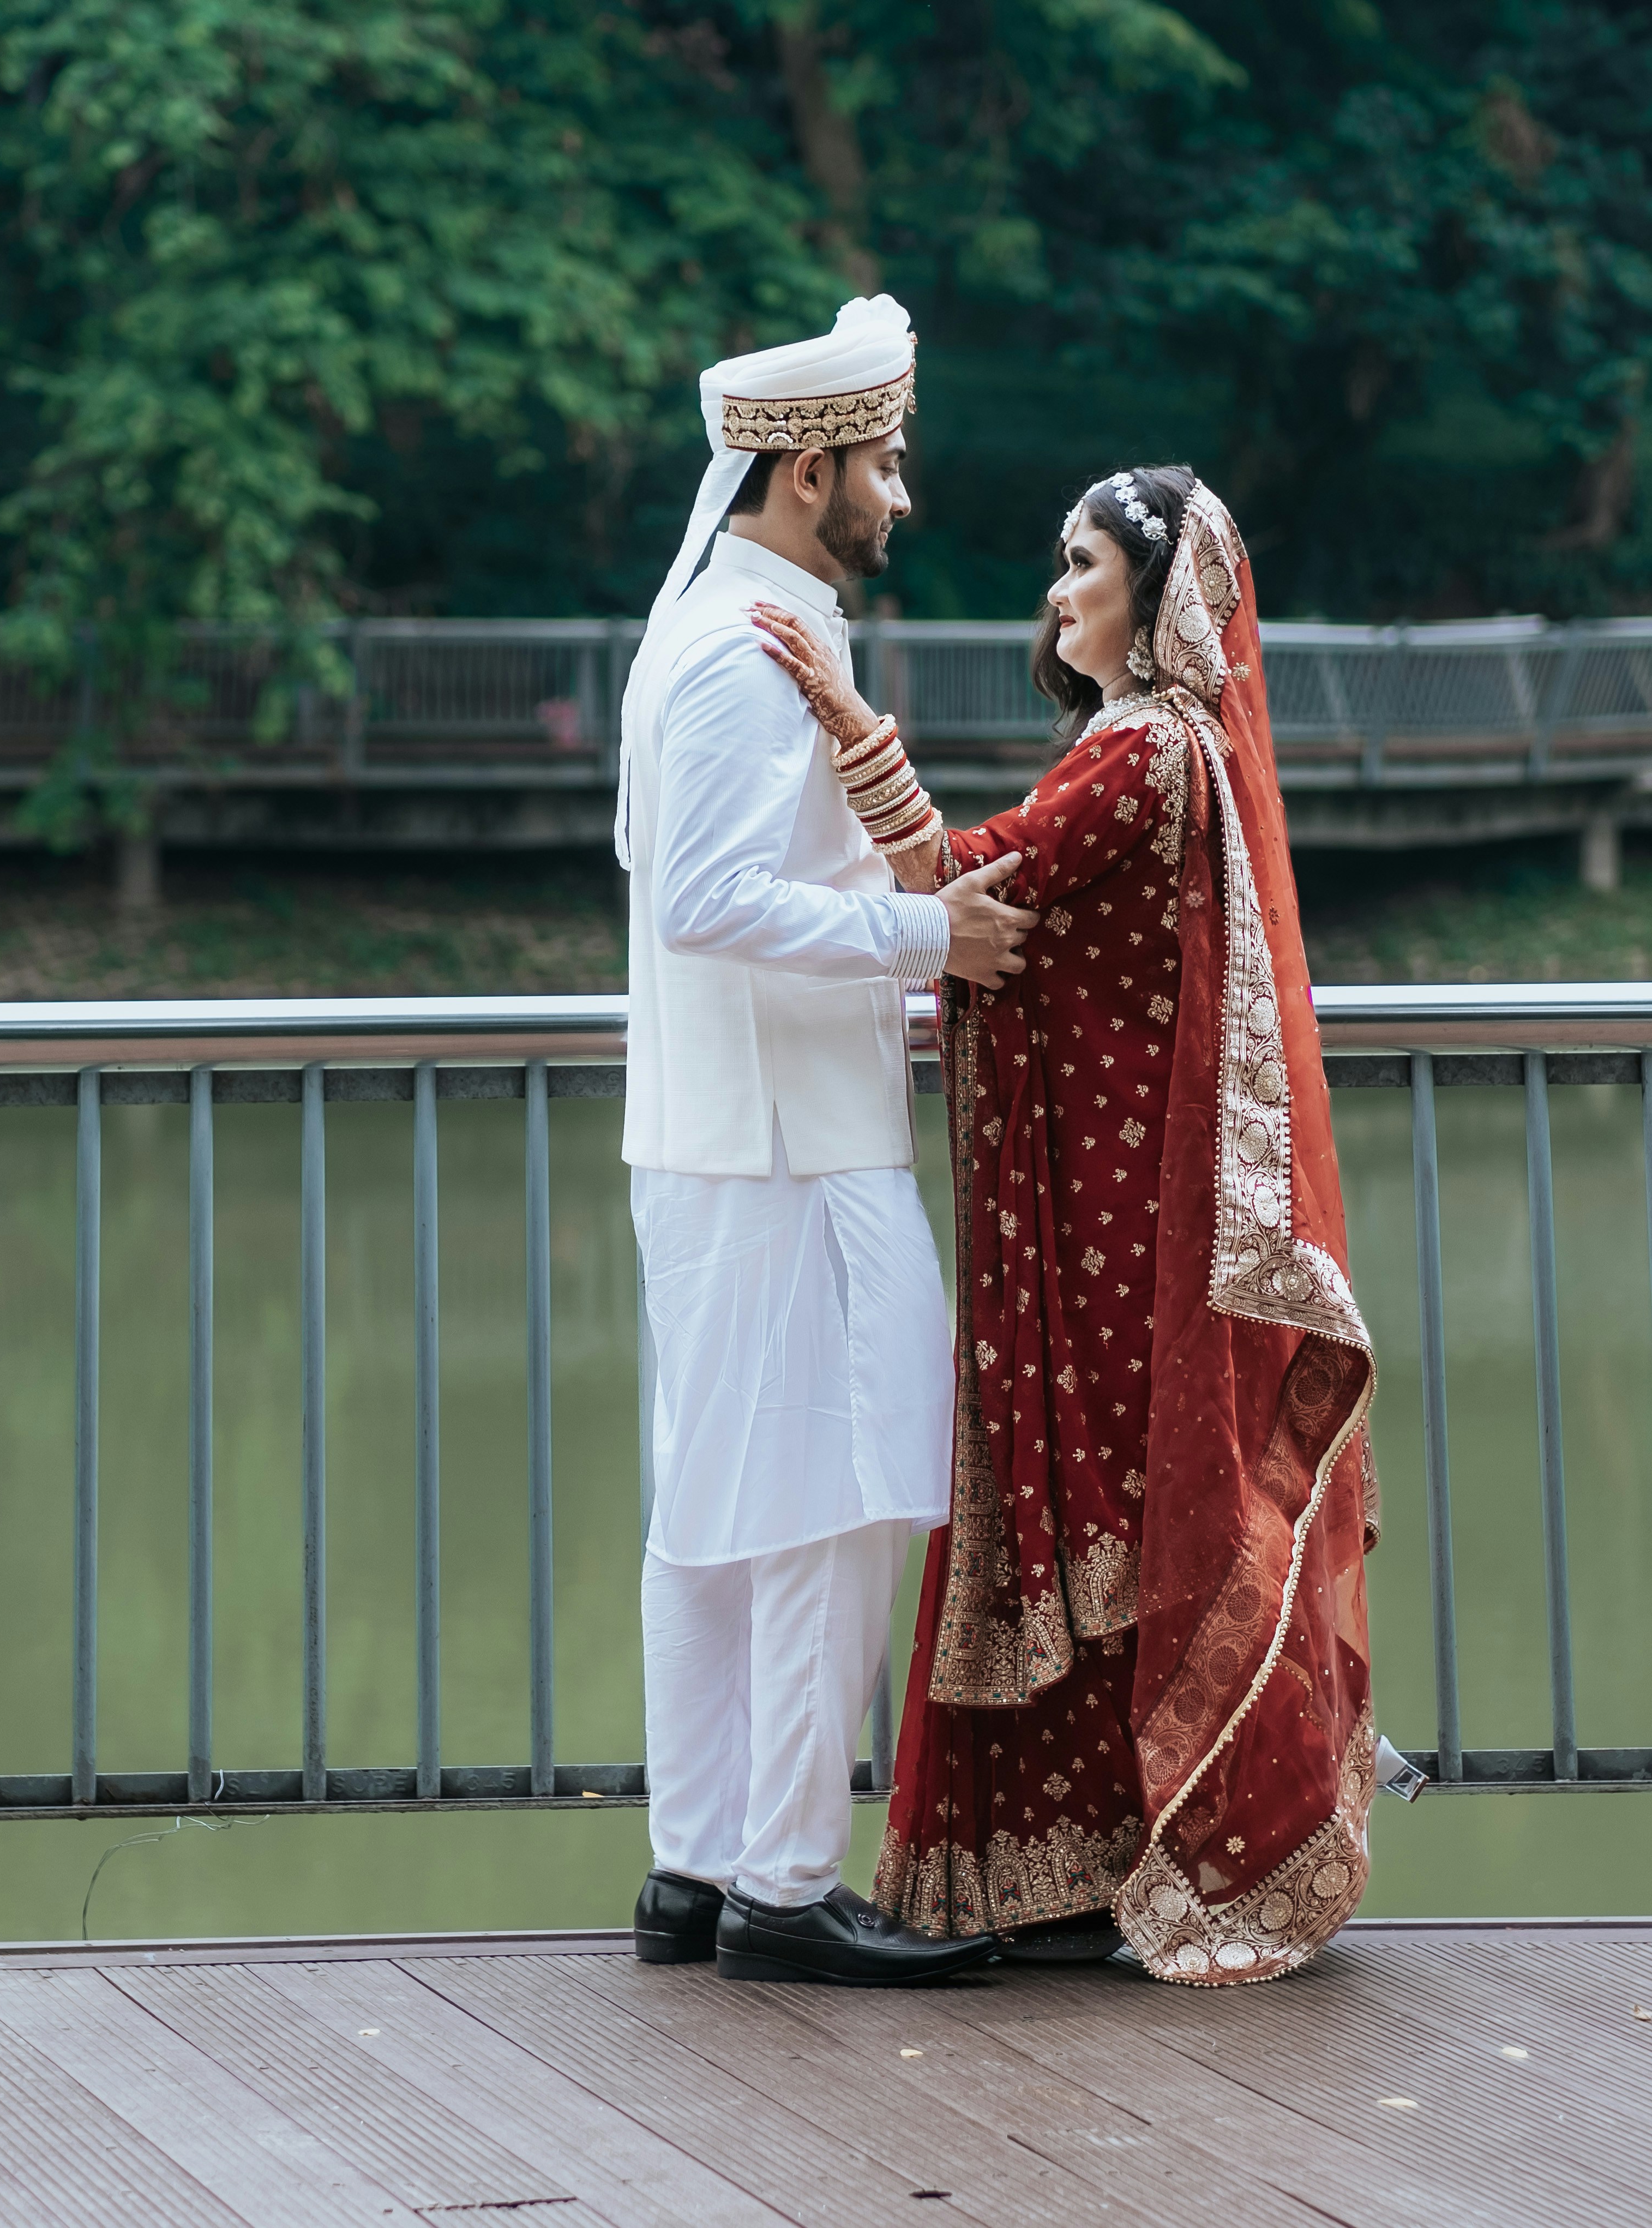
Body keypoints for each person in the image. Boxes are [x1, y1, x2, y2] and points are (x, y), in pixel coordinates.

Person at [752, 466, 1401, 1987]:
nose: (1058, 592)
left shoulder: (1144, 757)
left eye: (1083, 564)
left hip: (1112, 1231)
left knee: (1098, 1510)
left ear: (1156, 595)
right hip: (1109, 1214)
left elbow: (963, 890)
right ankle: (1111, 1853)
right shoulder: (1157, 748)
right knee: (1110, 1517)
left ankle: (1115, 1856)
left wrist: (857, 740)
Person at [617, 295, 1034, 1987]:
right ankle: (783, 1885)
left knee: (724, 1506)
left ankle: (697, 1872)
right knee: (838, 1493)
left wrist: (898, 937)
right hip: (789, 1149)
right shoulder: (741, 649)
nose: (899, 497)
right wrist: (933, 947)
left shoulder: (732, 627)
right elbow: (710, 899)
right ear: (804, 475)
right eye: (883, 462)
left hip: (754, 1133)